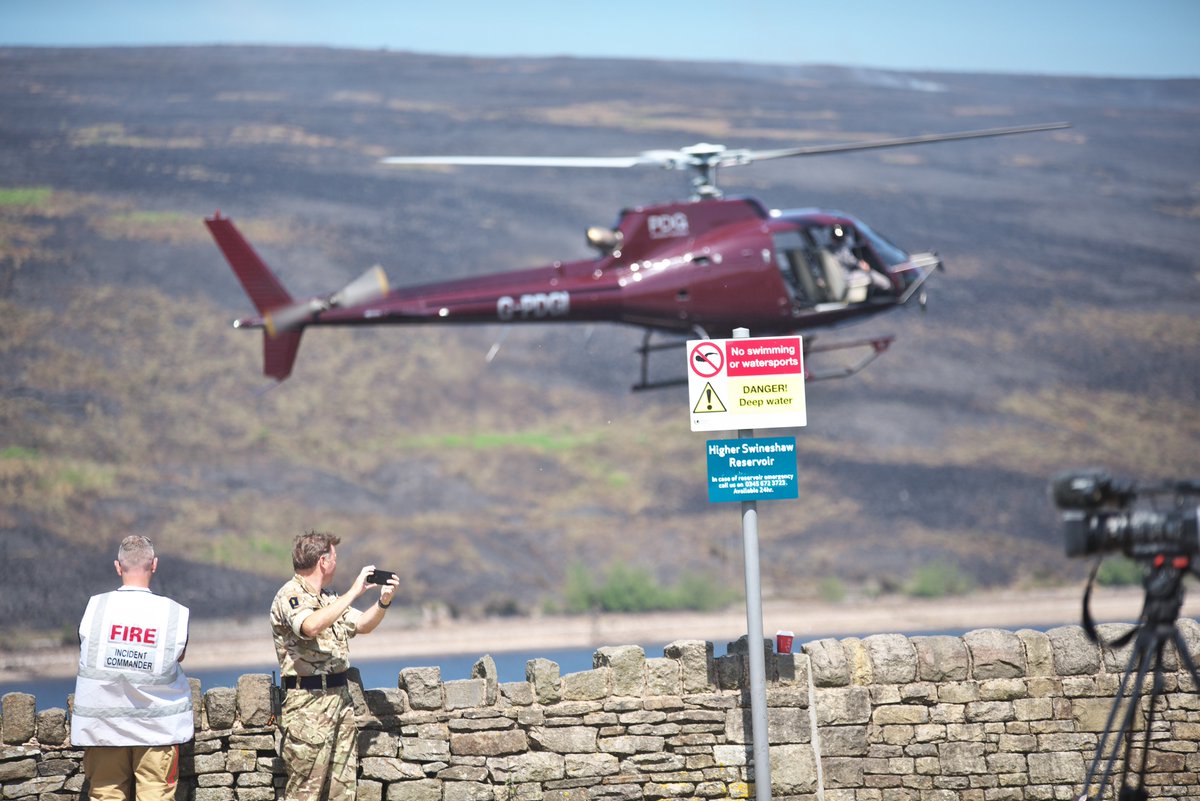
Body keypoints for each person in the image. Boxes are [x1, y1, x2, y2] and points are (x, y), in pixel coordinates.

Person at [270, 530, 398, 801]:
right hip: (308, 707)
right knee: (305, 792)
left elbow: (362, 625)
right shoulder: (290, 595)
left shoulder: (329, 597)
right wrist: (354, 592)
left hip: (340, 702)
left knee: (342, 792)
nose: (337, 563)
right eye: (335, 557)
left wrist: (383, 602)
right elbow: (310, 626)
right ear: (323, 561)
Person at [70, 535, 193, 801]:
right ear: (154, 564)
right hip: (156, 728)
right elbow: (179, 655)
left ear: (118, 566)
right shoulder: (173, 613)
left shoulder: (95, 607)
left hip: (103, 727)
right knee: (156, 795)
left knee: (106, 794)